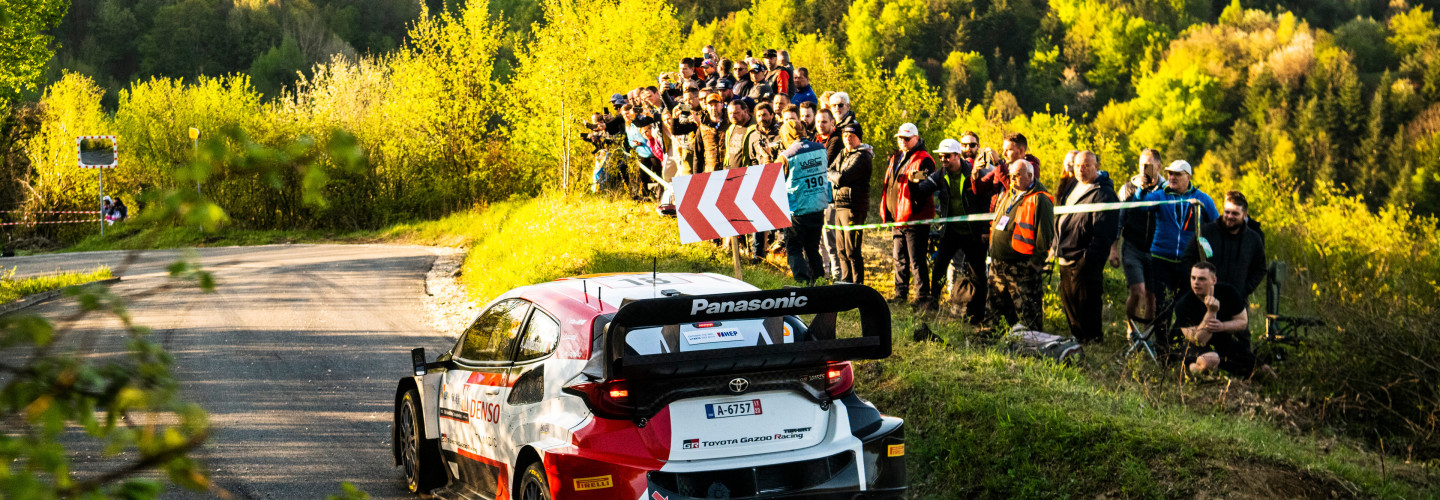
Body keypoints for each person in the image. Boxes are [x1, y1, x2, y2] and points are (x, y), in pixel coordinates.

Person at [916, 137, 989, 323]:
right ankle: (933, 304)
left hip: (973, 233)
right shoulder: (941, 173)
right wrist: (913, 178)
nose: (943, 160)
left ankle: (979, 314)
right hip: (951, 231)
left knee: (978, 275)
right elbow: (923, 187)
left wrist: (984, 229)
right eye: (941, 157)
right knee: (939, 268)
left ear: (957, 156)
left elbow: (984, 203)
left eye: (947, 156)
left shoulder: (973, 172)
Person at [1055, 151, 1119, 343]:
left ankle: (1092, 341)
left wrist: (1087, 258)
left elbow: (1104, 233)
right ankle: (1077, 337)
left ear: (1096, 166)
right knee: (1069, 300)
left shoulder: (1104, 193)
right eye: (1077, 166)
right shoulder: (1073, 184)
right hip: (1065, 252)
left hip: (1084, 257)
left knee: (1087, 301)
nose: (1080, 170)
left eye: (1086, 166)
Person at [986, 159, 1055, 331]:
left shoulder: (1040, 199)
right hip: (998, 264)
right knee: (994, 310)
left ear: (1030, 175)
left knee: (1028, 314)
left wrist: (1036, 262)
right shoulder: (1010, 194)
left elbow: (1045, 234)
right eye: (1011, 176)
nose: (1013, 179)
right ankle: (992, 340)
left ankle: (1032, 346)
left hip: (1022, 267)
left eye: (1017, 176)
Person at [1142, 160, 1219, 305]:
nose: (1172, 177)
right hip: (1161, 258)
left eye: (1177, 174)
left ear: (1188, 177)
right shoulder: (1160, 195)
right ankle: (1161, 328)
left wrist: (1208, 249)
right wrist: (1143, 187)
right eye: (1170, 174)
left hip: (1188, 261)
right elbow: (1141, 205)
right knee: (1162, 304)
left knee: (1186, 304)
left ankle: (1181, 328)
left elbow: (1217, 225)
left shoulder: (1202, 198)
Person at [879, 123, 940, 305]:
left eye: (907, 138)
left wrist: (915, 179)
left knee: (916, 259)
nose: (903, 142)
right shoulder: (896, 157)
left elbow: (926, 180)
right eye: (900, 138)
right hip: (897, 216)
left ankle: (921, 296)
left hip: (915, 216)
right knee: (899, 259)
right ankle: (900, 294)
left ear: (916, 138)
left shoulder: (925, 158)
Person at [1111, 149, 1165, 335]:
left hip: (1156, 249)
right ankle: (1131, 328)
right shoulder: (1128, 188)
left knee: (1152, 296)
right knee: (1138, 291)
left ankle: (1147, 333)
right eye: (1142, 165)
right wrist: (1114, 249)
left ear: (1159, 166)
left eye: (1149, 165)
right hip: (1132, 246)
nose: (1145, 169)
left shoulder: (1167, 190)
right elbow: (1118, 219)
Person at [1173, 262, 1258, 377]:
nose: (1196, 282)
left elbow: (1243, 322)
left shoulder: (1228, 292)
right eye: (1193, 278)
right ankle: (1192, 368)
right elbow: (1200, 340)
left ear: (1214, 280)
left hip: (1223, 340)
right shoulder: (1183, 303)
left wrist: (1222, 326)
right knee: (1211, 360)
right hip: (1191, 344)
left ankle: (1220, 368)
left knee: (1261, 369)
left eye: (1201, 279)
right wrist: (1211, 311)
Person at [1182, 191, 1266, 299]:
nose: (1230, 216)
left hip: (1237, 301)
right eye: (1227, 212)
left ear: (1245, 215)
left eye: (1235, 213)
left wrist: (1245, 289)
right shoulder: (1206, 232)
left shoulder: (1253, 239)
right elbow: (1187, 258)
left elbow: (1260, 268)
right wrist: (1198, 283)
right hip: (1206, 299)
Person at [779, 121, 832, 284]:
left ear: (786, 135)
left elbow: (777, 179)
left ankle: (801, 283)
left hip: (798, 209)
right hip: (818, 206)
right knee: (812, 248)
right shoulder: (821, 148)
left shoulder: (786, 156)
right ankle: (819, 282)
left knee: (794, 248)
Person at [828, 123, 872, 284]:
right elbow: (830, 170)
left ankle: (857, 284)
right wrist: (834, 174)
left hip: (854, 207)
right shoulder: (843, 153)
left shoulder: (863, 156)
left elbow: (842, 178)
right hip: (839, 204)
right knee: (841, 249)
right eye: (845, 135)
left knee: (852, 249)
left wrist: (834, 174)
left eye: (851, 136)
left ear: (858, 138)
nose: (847, 139)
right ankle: (846, 281)